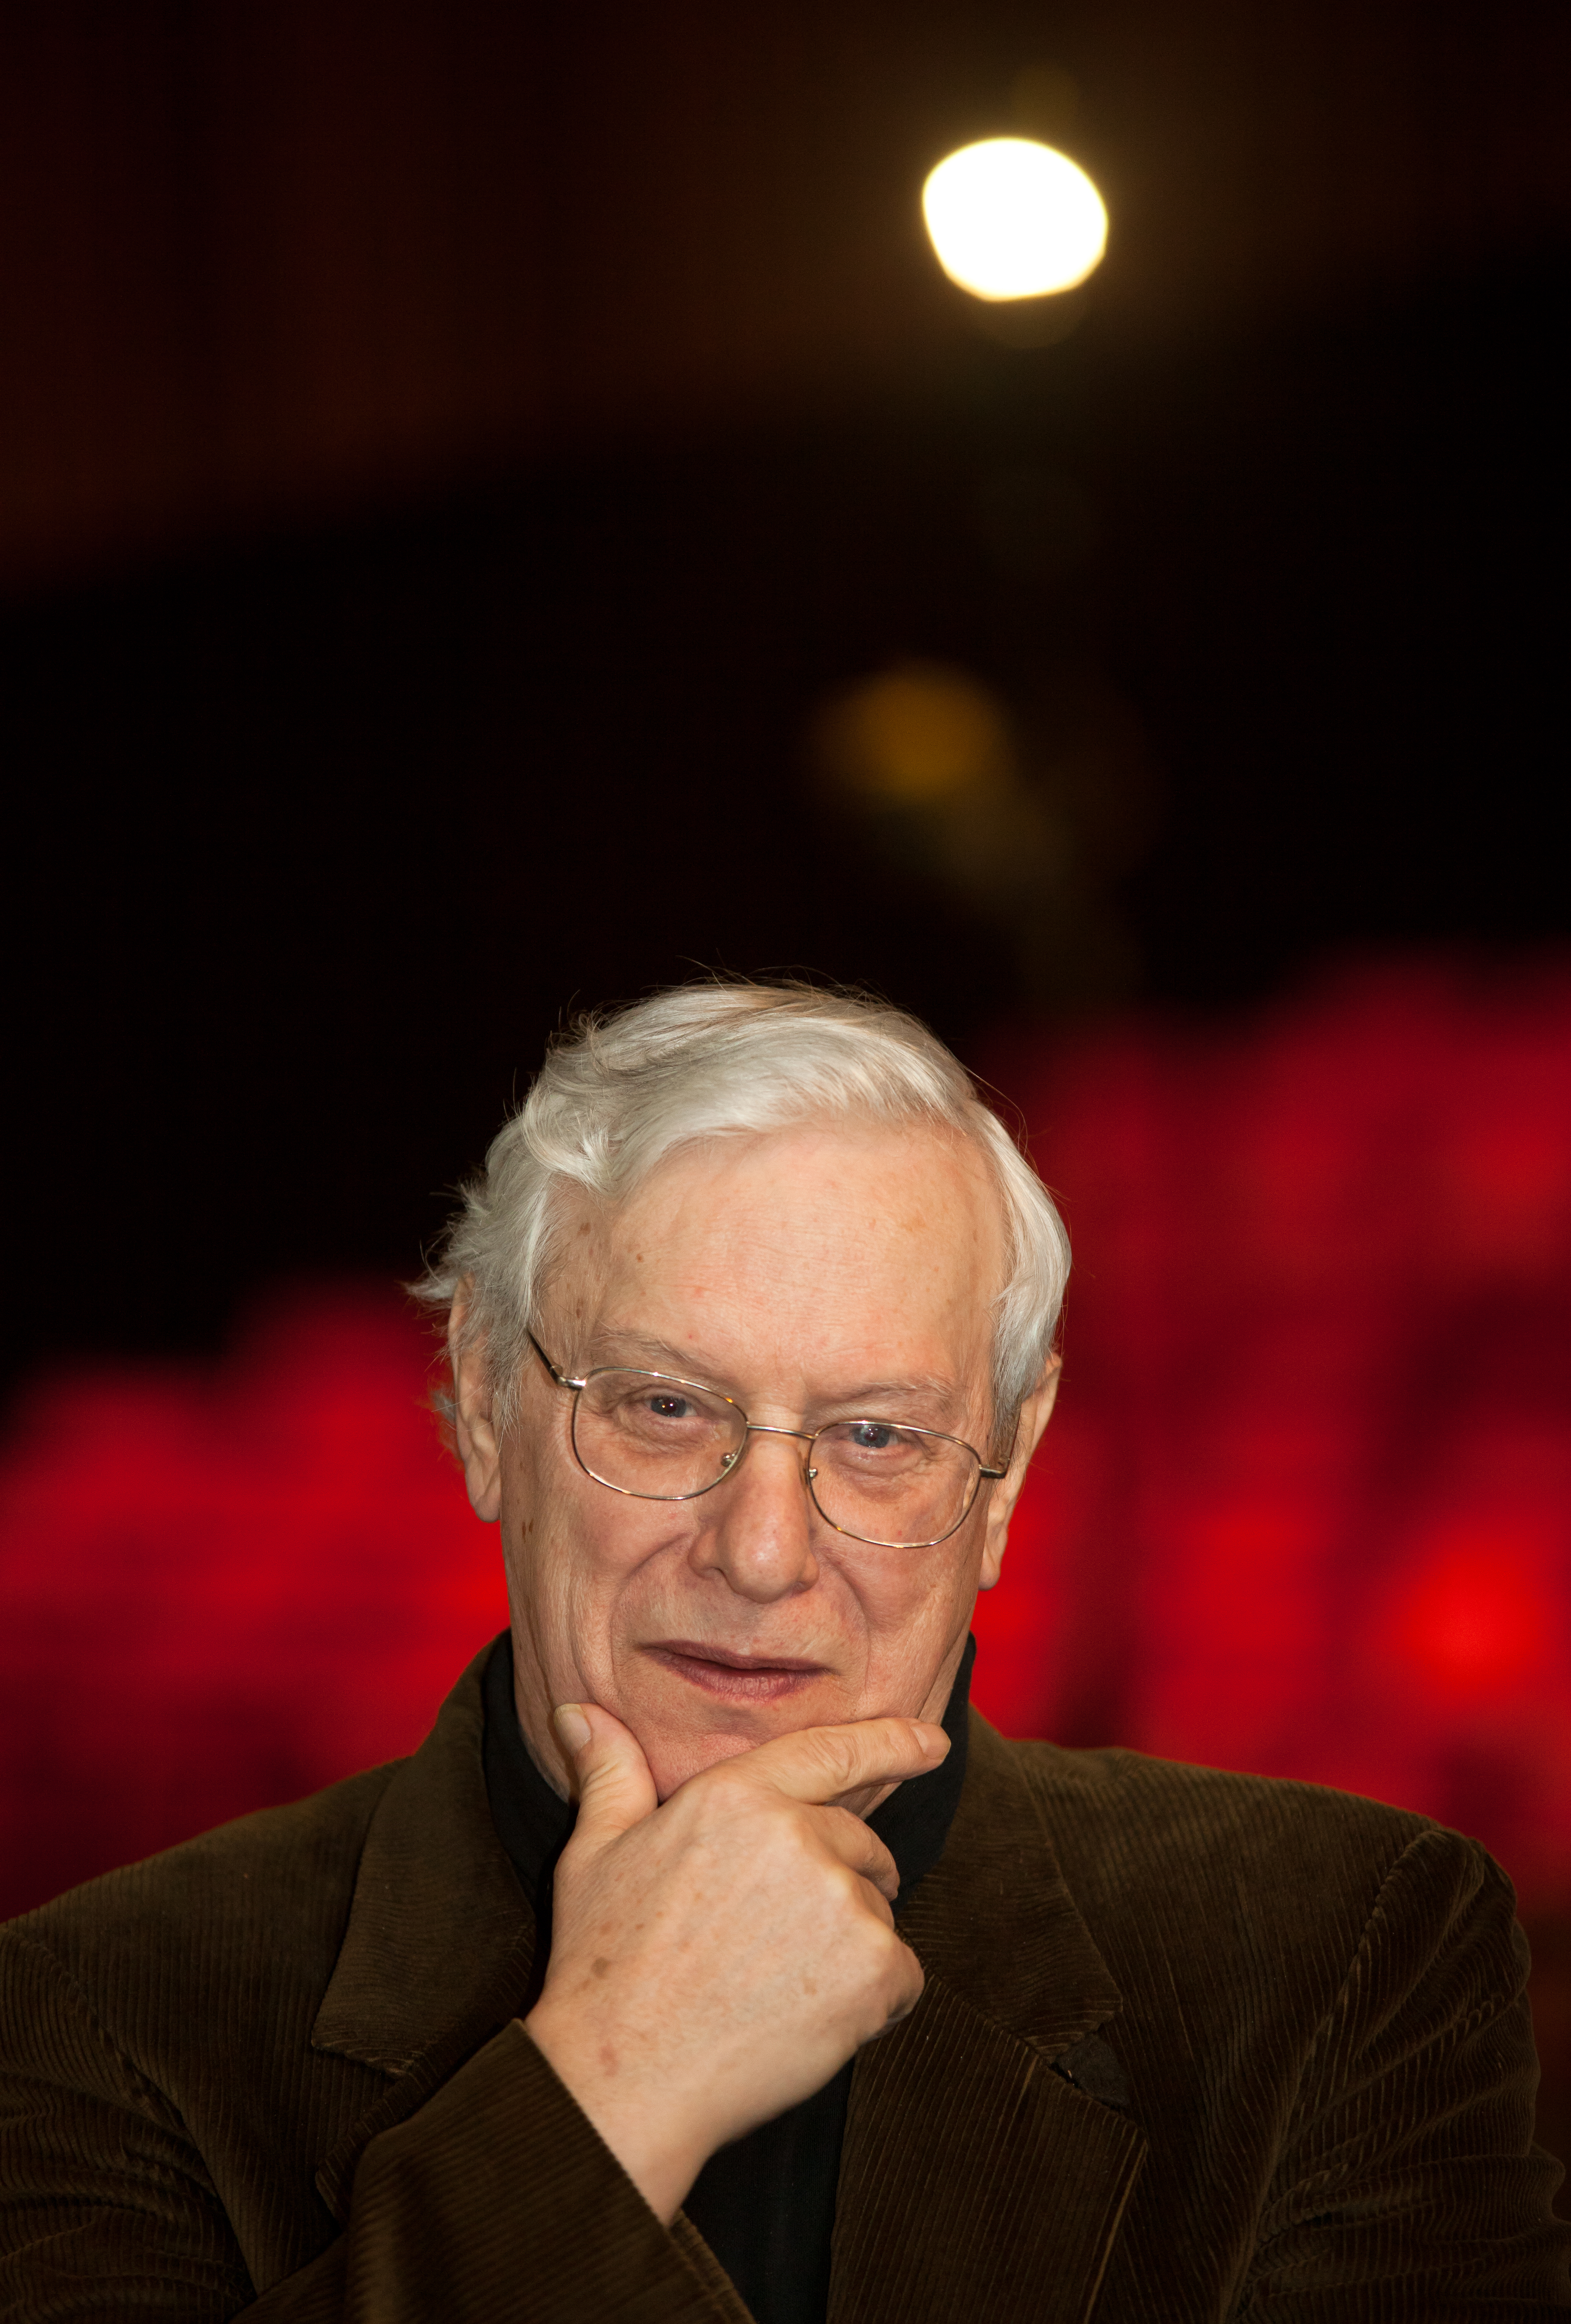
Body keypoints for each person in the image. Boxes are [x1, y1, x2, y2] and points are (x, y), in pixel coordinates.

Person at [0, 981, 1566, 2323]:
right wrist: (609, 2094)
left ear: (1005, 1478)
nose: (761, 1550)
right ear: (485, 1406)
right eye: (666, 1408)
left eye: (879, 1436)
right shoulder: (99, 2012)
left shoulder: (1347, 1955)